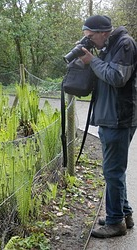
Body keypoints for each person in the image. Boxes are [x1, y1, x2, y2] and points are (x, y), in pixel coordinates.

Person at [79, 15, 137, 238]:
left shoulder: (125, 44)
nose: (90, 41)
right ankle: (124, 214)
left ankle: (115, 223)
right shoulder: (108, 46)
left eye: (91, 37)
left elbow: (116, 77)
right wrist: (89, 59)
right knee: (114, 171)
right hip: (109, 117)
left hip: (119, 118)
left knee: (112, 171)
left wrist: (92, 61)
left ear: (103, 32)